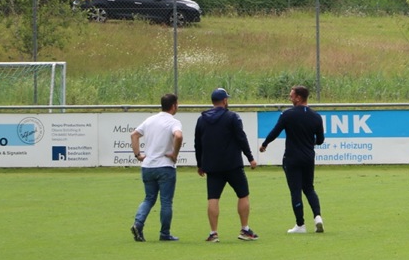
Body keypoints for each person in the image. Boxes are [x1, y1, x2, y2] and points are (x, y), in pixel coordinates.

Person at [194, 87, 259, 242]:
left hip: (212, 166)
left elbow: (198, 144)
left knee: (213, 198)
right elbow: (241, 138)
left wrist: (200, 164)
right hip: (232, 164)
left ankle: (213, 233)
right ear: (224, 100)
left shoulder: (202, 119)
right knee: (243, 194)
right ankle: (244, 229)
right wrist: (250, 158)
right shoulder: (232, 117)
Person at [259, 84, 325, 234]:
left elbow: (275, 131)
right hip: (308, 157)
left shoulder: (288, 115)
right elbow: (320, 140)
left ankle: (300, 225)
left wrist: (265, 144)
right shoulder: (316, 116)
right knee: (309, 188)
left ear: (299, 98)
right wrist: (310, 143)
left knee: (295, 190)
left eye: (292, 95)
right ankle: (317, 217)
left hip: (292, 158)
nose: (290, 97)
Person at [129, 93, 183, 242]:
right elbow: (178, 136)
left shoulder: (150, 120)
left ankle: (138, 224)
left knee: (149, 198)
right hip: (165, 166)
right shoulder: (174, 122)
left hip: (148, 166)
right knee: (166, 201)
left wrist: (138, 155)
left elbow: (134, 135)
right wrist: (174, 154)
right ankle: (165, 233)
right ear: (173, 106)